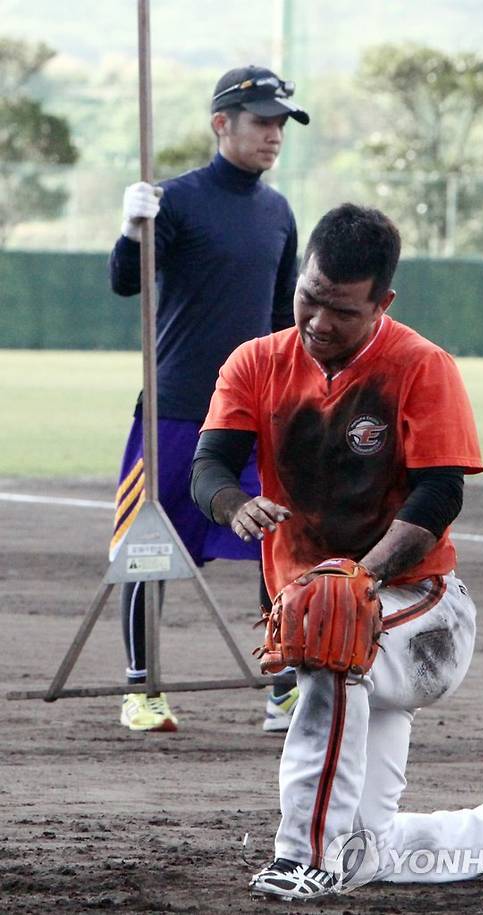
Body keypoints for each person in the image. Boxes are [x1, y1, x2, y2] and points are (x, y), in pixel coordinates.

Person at [190, 203, 483, 899]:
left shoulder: (420, 366)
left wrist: (362, 576)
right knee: (366, 850)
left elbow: (439, 495)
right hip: (334, 613)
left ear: (382, 303)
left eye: (342, 310)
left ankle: (301, 857)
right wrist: (234, 504)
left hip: (425, 612)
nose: (319, 321)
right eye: (310, 297)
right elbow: (210, 466)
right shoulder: (257, 362)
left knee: (330, 634)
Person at [109, 65, 308, 733]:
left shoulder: (278, 213)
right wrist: (133, 228)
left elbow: (281, 321)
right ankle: (142, 689)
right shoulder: (175, 200)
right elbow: (123, 282)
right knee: (148, 545)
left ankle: (283, 687)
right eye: (262, 122)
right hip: (174, 407)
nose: (274, 135)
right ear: (222, 123)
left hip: (252, 413)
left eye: (281, 124)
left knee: (277, 540)